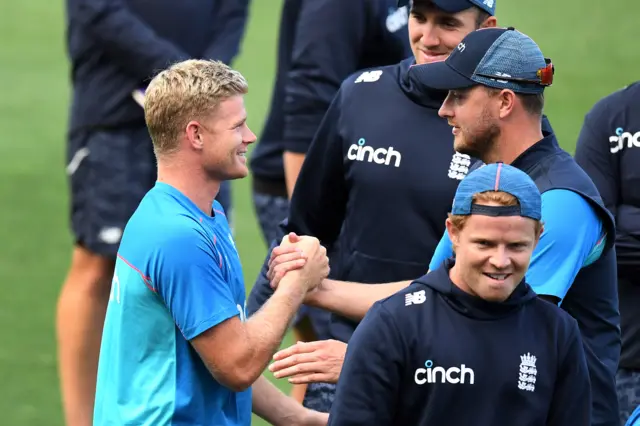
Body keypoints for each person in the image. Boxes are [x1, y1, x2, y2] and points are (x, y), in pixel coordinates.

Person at [268, 27, 620, 426]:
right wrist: (314, 288)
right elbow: (433, 296)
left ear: (505, 102)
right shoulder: (487, 187)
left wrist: (368, 356)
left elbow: (508, 337)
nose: (443, 110)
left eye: (459, 96)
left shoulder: (557, 203)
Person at [248, 0, 499, 412]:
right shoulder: (360, 95)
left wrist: (324, 294)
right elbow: (303, 229)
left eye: (448, 24)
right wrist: (250, 331)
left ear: (486, 27)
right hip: (341, 358)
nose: (428, 38)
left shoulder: (500, 117)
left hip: (446, 371)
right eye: (419, 19)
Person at [92, 59, 329, 426]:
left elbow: (217, 347)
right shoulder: (178, 237)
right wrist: (298, 282)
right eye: (237, 126)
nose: (250, 137)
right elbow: (236, 364)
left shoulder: (193, 214)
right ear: (196, 135)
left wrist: (297, 418)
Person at [58, 1, 249, 424]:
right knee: (96, 266)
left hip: (204, 117)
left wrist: (202, 82)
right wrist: (177, 82)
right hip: (113, 108)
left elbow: (233, 9)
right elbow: (96, 9)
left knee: (204, 264)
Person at [327, 163, 591, 426]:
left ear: (538, 237)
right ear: (453, 232)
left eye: (516, 246)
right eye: (484, 244)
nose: (500, 261)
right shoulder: (393, 323)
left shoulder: (557, 332)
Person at [247, 0, 412, 403]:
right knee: (327, 359)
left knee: (312, 356)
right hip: (317, 192)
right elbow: (309, 96)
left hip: (368, 186)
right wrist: (310, 226)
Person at [574, 81, 640, 425]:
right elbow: (599, 234)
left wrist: (629, 216)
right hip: (630, 364)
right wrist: (618, 223)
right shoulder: (610, 117)